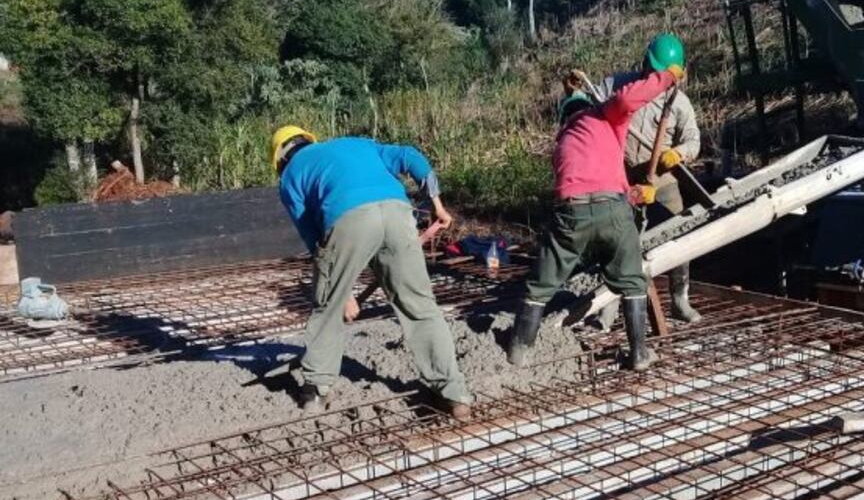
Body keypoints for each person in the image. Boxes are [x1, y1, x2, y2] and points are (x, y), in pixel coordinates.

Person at [270, 125, 473, 418]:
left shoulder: (290, 176)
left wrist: (342, 295)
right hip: (398, 213)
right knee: (421, 307)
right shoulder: (358, 144)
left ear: (279, 159)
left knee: (326, 308)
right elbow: (411, 157)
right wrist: (437, 204)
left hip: (347, 220)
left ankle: (315, 392)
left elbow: (315, 240)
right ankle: (454, 394)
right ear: (309, 139)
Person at [507, 62, 686, 371]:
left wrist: (630, 191)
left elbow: (583, 188)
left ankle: (519, 352)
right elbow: (627, 101)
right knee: (632, 281)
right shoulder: (605, 116)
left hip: (570, 213)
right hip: (613, 211)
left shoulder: (562, 142)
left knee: (540, 285)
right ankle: (640, 353)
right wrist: (668, 76)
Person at [595, 33, 704, 323]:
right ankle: (608, 306)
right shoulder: (619, 86)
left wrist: (678, 154)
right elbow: (592, 110)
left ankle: (680, 300)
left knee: (679, 238)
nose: (653, 77)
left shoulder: (679, 104)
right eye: (651, 70)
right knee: (616, 241)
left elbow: (694, 141)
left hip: (662, 181)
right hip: (622, 178)